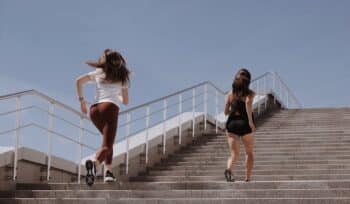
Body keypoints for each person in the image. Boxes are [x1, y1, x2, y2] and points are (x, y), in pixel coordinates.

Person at [76, 49, 130, 185]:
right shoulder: (122, 77)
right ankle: (94, 164)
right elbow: (126, 101)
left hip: (94, 110)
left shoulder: (99, 73)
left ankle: (108, 173)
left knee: (107, 143)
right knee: (107, 145)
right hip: (110, 109)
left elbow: (79, 81)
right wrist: (117, 95)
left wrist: (82, 101)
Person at [224, 68, 256, 182]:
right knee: (249, 152)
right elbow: (248, 104)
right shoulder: (251, 93)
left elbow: (225, 112)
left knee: (234, 154)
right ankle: (247, 178)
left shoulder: (230, 94)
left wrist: (234, 107)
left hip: (232, 124)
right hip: (245, 124)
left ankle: (228, 169)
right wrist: (251, 122)